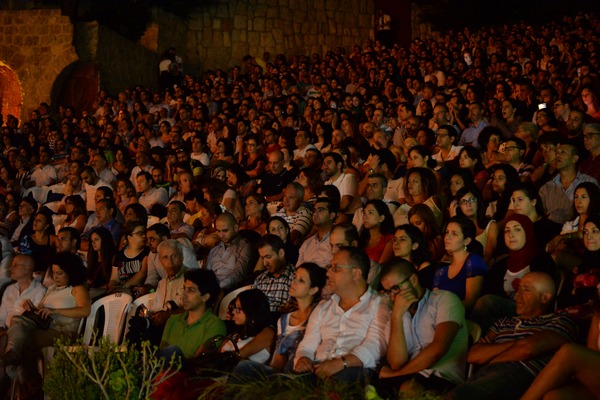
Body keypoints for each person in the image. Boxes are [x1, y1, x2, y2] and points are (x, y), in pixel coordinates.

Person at [447, 272, 578, 400]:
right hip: (489, 374)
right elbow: (474, 355)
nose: (517, 296)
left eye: (526, 290)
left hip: (526, 375)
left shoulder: (560, 320)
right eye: (518, 289)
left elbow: (527, 349)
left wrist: (492, 357)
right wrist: (517, 346)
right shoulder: (503, 323)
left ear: (545, 297)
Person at [294, 247, 390, 383]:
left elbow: (375, 346)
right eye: (329, 267)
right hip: (318, 367)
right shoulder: (324, 307)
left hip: (354, 369)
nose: (328, 273)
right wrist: (303, 358)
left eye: (335, 268)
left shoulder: (379, 304)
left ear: (356, 273)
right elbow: (308, 344)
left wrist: (341, 363)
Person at [375, 258, 468, 398]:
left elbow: (438, 349)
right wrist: (396, 317)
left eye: (396, 288)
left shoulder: (444, 300)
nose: (393, 296)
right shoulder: (398, 313)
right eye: (389, 291)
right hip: (408, 376)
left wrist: (397, 375)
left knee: (407, 388)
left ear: (413, 279)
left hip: (441, 377)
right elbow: (396, 362)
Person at [3, 252, 91, 396]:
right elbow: (43, 312)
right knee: (17, 321)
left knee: (26, 338)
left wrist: (56, 311)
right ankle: (14, 355)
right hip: (45, 327)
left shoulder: (77, 288)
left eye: (60, 273)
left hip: (64, 332)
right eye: (54, 273)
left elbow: (85, 310)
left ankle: (31, 382)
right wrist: (32, 309)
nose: (55, 277)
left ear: (70, 272)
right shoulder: (52, 288)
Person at [233, 262, 327, 379]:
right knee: (244, 367)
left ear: (313, 290)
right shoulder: (284, 320)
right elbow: (278, 360)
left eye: (301, 280)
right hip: (283, 373)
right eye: (294, 277)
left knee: (244, 368)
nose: (294, 282)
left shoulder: (320, 313)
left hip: (305, 373)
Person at [471, 214, 557, 332]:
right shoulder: (499, 265)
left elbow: (545, 299)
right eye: (507, 231)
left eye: (517, 229)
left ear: (527, 232)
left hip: (533, 316)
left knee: (486, 303)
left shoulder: (542, 261)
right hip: (503, 320)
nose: (511, 235)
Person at [520, 278, 600, 400]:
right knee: (553, 396)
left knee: (571, 353)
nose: (598, 286)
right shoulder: (598, 312)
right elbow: (591, 352)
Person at [158, 268, 225, 360]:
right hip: (163, 371)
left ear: (205, 297)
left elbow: (200, 361)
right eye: (184, 288)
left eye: (191, 290)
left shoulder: (214, 325)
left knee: (172, 351)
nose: (183, 295)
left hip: (189, 372)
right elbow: (160, 357)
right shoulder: (173, 320)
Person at [433, 215, 488, 314]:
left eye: (454, 234)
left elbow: (470, 302)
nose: (447, 237)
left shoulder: (474, 262)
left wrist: (443, 311)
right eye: (447, 232)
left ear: (466, 240)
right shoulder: (441, 271)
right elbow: (434, 300)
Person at [539, 139, 598, 225]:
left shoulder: (589, 182)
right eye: (556, 153)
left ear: (574, 159)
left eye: (563, 152)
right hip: (550, 230)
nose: (558, 156)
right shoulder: (547, 187)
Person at [220, 289, 275, 364]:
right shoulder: (235, 334)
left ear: (251, 310)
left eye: (238, 308)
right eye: (235, 308)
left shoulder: (268, 332)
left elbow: (241, 355)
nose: (233, 312)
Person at [206, 212, 257, 292]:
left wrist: (215, 288)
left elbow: (238, 274)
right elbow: (206, 274)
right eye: (218, 231)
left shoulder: (245, 247)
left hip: (232, 291)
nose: (221, 235)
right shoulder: (214, 250)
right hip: (211, 291)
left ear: (236, 228)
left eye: (225, 231)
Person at [456, 187, 499, 263]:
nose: (468, 204)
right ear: (460, 206)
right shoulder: (458, 227)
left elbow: (489, 254)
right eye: (463, 201)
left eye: (471, 200)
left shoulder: (491, 225)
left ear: (478, 202)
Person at [254, 234, 296, 313]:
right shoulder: (260, 279)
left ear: (281, 253)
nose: (265, 263)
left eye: (268, 257)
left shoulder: (295, 278)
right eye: (263, 258)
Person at [108, 221, 150, 291]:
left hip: (140, 291)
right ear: (129, 237)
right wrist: (113, 287)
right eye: (140, 233)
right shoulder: (119, 256)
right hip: (121, 292)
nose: (144, 236)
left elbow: (142, 275)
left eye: (144, 233)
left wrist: (123, 287)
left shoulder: (147, 252)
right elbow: (114, 279)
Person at [296, 197, 337, 269]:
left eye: (320, 210)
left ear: (331, 215)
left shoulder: (338, 241)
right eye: (314, 210)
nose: (315, 214)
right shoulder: (307, 243)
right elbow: (298, 269)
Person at [359, 199, 395, 265]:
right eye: (364, 213)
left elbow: (380, 267)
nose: (365, 217)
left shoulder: (389, 240)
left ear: (382, 218)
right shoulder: (362, 238)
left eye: (370, 213)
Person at [86, 227, 116, 299]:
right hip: (93, 289)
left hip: (105, 292)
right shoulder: (93, 258)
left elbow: (112, 282)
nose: (93, 243)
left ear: (104, 240)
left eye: (96, 239)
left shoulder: (113, 257)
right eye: (92, 240)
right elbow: (90, 280)